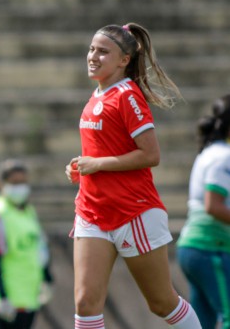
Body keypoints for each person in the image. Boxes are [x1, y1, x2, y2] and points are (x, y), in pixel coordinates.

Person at [66, 22, 200, 328]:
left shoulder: (127, 95)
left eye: (103, 51)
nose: (93, 56)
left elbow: (151, 155)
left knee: (162, 303)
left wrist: (98, 165)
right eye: (91, 49)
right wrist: (81, 166)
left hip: (133, 212)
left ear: (124, 60)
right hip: (92, 211)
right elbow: (102, 151)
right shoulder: (96, 96)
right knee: (85, 303)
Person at [0, 159, 53, 329]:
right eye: (15, 183)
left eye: (23, 182)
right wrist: (3, 296)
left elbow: (39, 248)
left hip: (30, 294)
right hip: (8, 299)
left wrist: (47, 278)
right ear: (1, 184)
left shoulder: (28, 211)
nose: (20, 187)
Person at [177, 94, 230, 329]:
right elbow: (213, 205)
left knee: (202, 322)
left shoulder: (210, 152)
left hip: (194, 249)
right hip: (211, 248)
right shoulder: (224, 157)